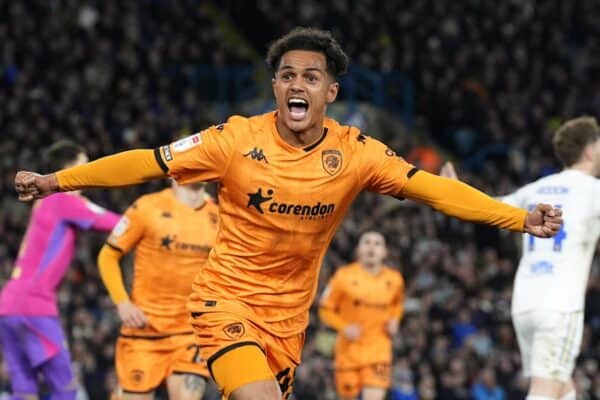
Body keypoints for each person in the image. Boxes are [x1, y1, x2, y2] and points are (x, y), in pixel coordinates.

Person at [14, 28, 563, 400]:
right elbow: (147, 162)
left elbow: (436, 192)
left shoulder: (357, 153)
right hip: (222, 302)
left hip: (287, 322)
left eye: (310, 76)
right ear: (276, 86)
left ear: (331, 91)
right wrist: (57, 181)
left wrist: (515, 218)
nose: (297, 83)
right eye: (287, 75)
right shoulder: (232, 140)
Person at [441, 116, 600, 400]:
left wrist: (454, 190)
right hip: (560, 305)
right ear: (589, 150)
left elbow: (489, 207)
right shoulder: (592, 190)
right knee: (545, 390)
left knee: (563, 388)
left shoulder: (537, 188)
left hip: (525, 303)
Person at [0, 140, 120, 400]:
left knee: (24, 390)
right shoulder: (64, 199)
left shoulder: (43, 204)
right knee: (66, 390)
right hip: (35, 305)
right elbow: (118, 223)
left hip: (8, 305)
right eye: (84, 164)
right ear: (68, 169)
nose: (90, 170)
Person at [97, 180, 218, 400]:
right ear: (173, 169)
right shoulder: (147, 207)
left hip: (190, 334)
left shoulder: (219, 216)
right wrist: (122, 302)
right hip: (145, 331)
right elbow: (108, 255)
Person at [319, 231, 404, 400]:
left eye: (377, 243)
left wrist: (395, 319)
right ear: (358, 249)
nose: (372, 247)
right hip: (348, 352)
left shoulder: (395, 280)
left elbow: (397, 305)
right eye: (367, 242)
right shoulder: (343, 276)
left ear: (385, 252)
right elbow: (324, 309)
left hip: (379, 350)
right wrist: (344, 327)